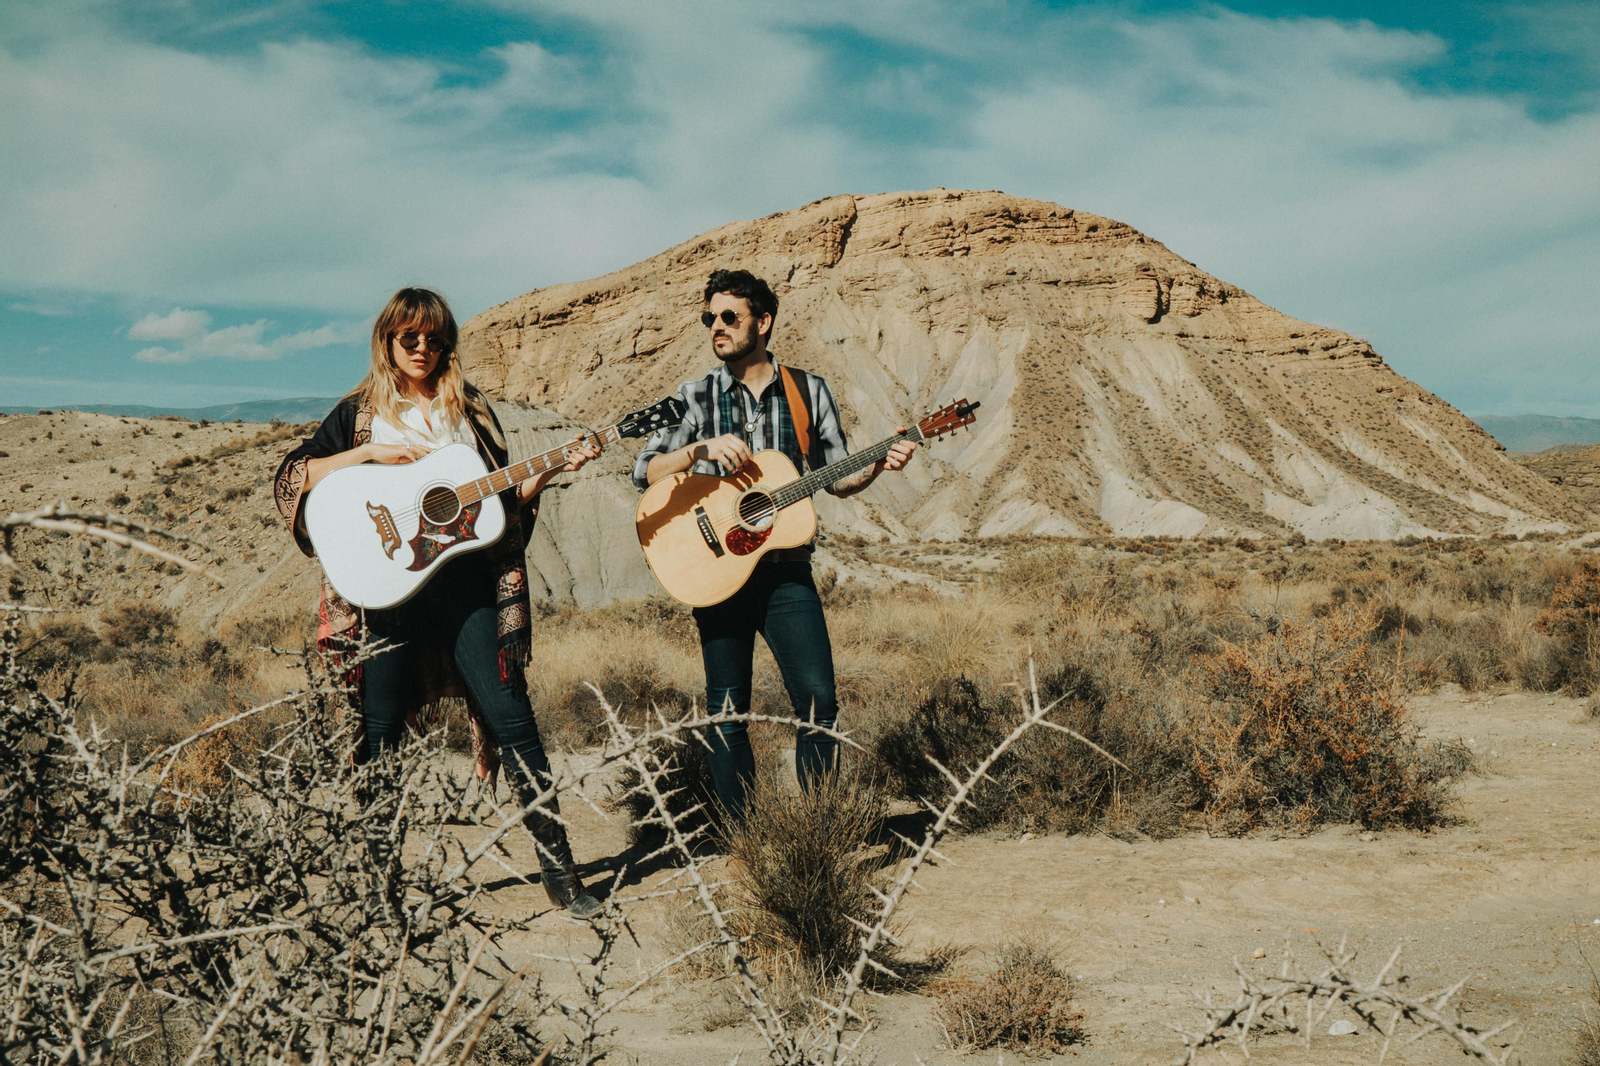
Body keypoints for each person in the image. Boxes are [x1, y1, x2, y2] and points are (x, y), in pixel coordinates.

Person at [274, 286, 603, 918]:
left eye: (435, 338)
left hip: (463, 588)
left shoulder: (470, 413)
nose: (423, 348)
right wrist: (367, 454)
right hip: (384, 596)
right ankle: (377, 882)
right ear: (389, 342)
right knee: (379, 732)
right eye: (410, 338)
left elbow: (498, 507)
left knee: (514, 718)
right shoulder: (359, 412)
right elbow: (294, 476)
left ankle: (561, 874)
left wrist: (555, 467)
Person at [633, 269, 917, 822]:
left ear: (762, 323)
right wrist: (698, 451)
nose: (716, 326)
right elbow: (644, 470)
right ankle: (742, 839)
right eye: (709, 317)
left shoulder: (808, 391)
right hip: (715, 572)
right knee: (725, 711)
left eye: (728, 317)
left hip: (787, 571)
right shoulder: (694, 397)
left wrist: (880, 463)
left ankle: (812, 837)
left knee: (819, 705)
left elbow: (836, 477)